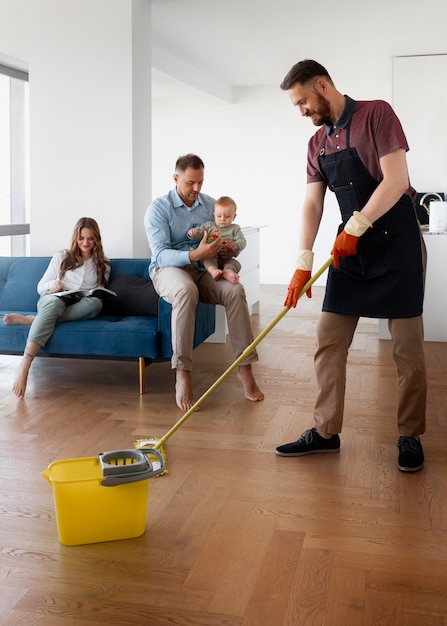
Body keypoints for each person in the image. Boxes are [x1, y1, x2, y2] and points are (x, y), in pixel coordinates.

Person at [274, 60, 427, 473]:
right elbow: (312, 202)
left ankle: (410, 435)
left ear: (322, 86)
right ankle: (325, 432)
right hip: (351, 250)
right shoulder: (316, 145)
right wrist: (302, 261)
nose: (302, 111)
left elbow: (396, 180)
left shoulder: (376, 114)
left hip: (397, 243)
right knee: (328, 338)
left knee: (406, 349)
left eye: (303, 101)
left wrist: (357, 224)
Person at [144, 153, 264, 412]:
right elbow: (160, 253)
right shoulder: (158, 208)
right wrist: (194, 254)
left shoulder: (210, 204)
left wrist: (227, 250)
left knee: (234, 290)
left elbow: (226, 235)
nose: (196, 189)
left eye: (200, 182)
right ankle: (182, 374)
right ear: (176, 178)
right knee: (186, 291)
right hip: (169, 269)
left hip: (205, 270)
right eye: (190, 183)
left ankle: (245, 369)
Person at [4, 217, 111, 399]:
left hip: (81, 302)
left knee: (96, 303)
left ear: (97, 240)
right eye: (81, 238)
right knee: (53, 304)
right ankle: (25, 365)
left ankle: (33, 320)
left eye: (90, 238)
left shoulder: (104, 264)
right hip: (55, 298)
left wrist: (96, 293)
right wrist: (55, 284)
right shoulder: (62, 257)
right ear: (75, 238)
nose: (85, 243)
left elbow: (101, 290)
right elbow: (40, 286)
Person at [187, 195, 246, 283]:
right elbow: (200, 232)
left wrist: (236, 245)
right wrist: (194, 232)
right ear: (214, 215)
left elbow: (242, 241)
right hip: (210, 255)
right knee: (207, 260)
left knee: (236, 264)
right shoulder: (209, 225)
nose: (222, 219)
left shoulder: (235, 228)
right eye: (219, 216)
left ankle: (228, 271)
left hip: (227, 258)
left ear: (234, 216)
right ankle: (213, 271)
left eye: (227, 216)